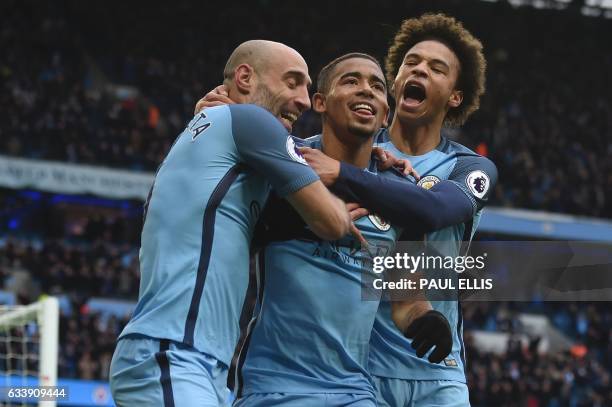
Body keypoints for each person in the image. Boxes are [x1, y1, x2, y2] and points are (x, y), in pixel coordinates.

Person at [109, 40, 351, 407]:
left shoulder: (214, 137)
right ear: (244, 77)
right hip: (173, 353)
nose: (303, 100)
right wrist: (357, 191)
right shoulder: (247, 121)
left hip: (197, 363)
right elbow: (331, 222)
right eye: (292, 82)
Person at [231, 53, 452, 407]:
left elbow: (407, 301)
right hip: (270, 385)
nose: (366, 90)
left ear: (385, 113)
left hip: (352, 390)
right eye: (351, 81)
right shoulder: (283, 163)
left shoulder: (398, 195)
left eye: (377, 87)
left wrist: (426, 320)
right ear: (319, 102)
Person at [301, 14, 496, 407]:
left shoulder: (469, 167)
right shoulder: (346, 148)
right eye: (411, 62)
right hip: (358, 371)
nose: (419, 69)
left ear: (455, 96)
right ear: (396, 80)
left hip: (438, 368)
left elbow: (433, 209)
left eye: (436, 68)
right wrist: (225, 110)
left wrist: (343, 175)